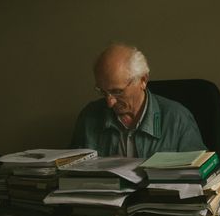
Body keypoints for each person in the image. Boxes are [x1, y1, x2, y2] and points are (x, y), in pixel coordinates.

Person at [71, 43, 206, 158]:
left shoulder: (177, 119)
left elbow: (200, 176)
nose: (109, 102)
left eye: (117, 92)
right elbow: (71, 171)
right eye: (102, 91)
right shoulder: (88, 117)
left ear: (143, 80)